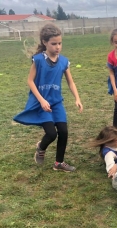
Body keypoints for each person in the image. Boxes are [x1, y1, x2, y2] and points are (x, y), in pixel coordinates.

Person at [13, 23, 83, 172]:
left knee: (63, 131)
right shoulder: (38, 60)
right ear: (45, 43)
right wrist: (42, 100)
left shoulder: (64, 61)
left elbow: (70, 82)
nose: (57, 47)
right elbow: (30, 81)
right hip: (42, 102)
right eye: (54, 44)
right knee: (52, 133)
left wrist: (77, 98)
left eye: (60, 43)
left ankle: (59, 163)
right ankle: (41, 147)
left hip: (56, 103)